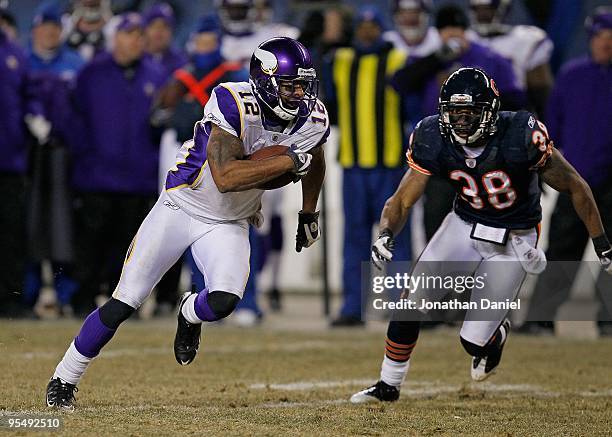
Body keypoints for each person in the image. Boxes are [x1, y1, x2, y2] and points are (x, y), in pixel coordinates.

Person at [46, 36, 329, 411]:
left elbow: (315, 157)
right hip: (181, 206)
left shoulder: (312, 117)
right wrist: (289, 161)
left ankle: (188, 311)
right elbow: (226, 176)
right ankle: (64, 378)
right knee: (124, 301)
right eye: (290, 85)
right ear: (263, 80)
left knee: (226, 300)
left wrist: (309, 211)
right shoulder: (234, 102)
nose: (298, 94)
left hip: (229, 219)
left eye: (302, 85)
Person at [349, 67, 612, 403]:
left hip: (514, 237)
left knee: (472, 341)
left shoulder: (520, 133)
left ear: (489, 111)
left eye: (469, 113)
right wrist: (386, 233)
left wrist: (601, 243)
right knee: (410, 304)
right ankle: (388, 385)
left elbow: (576, 186)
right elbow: (402, 199)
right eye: (454, 113)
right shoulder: (431, 135)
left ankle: (495, 334)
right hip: (464, 224)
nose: (460, 121)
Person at [519, 7, 612, 335]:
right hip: (576, 179)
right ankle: (539, 319)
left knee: (611, 253)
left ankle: (609, 321)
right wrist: (546, 169)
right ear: (591, 39)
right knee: (561, 251)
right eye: (601, 36)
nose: (607, 43)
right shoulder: (571, 76)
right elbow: (551, 130)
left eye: (611, 37)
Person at [66, 13, 167, 316]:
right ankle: (81, 299)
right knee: (90, 243)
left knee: (130, 248)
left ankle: (124, 305)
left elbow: (162, 124)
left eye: (140, 34)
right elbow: (72, 118)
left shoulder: (156, 74)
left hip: (138, 178)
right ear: (115, 38)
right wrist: (85, 153)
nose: (137, 39)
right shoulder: (91, 73)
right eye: (130, 33)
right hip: (96, 176)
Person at [325, 5, 412, 327]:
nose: (366, 32)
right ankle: (352, 307)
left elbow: (411, 108)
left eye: (372, 27)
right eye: (361, 27)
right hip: (353, 164)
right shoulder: (341, 61)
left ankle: (399, 303)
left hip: (390, 164)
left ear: (381, 29)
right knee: (354, 237)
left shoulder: (397, 60)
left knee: (395, 235)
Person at [24, 1, 85, 316]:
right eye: (44, 27)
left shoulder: (74, 62)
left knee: (64, 227)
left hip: (65, 154)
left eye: (54, 27)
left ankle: (66, 295)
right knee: (30, 225)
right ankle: (27, 294)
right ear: (34, 29)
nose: (49, 33)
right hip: (28, 156)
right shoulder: (21, 61)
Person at [468, 0, 554, 117]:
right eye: (478, 9)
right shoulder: (465, 39)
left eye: (488, 9)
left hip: (512, 113)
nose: (482, 14)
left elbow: (541, 95)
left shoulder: (526, 40)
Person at [142, 2, 187, 80]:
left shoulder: (180, 61)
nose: (159, 30)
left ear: (172, 31)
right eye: (154, 25)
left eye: (165, 26)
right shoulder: (136, 58)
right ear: (145, 29)